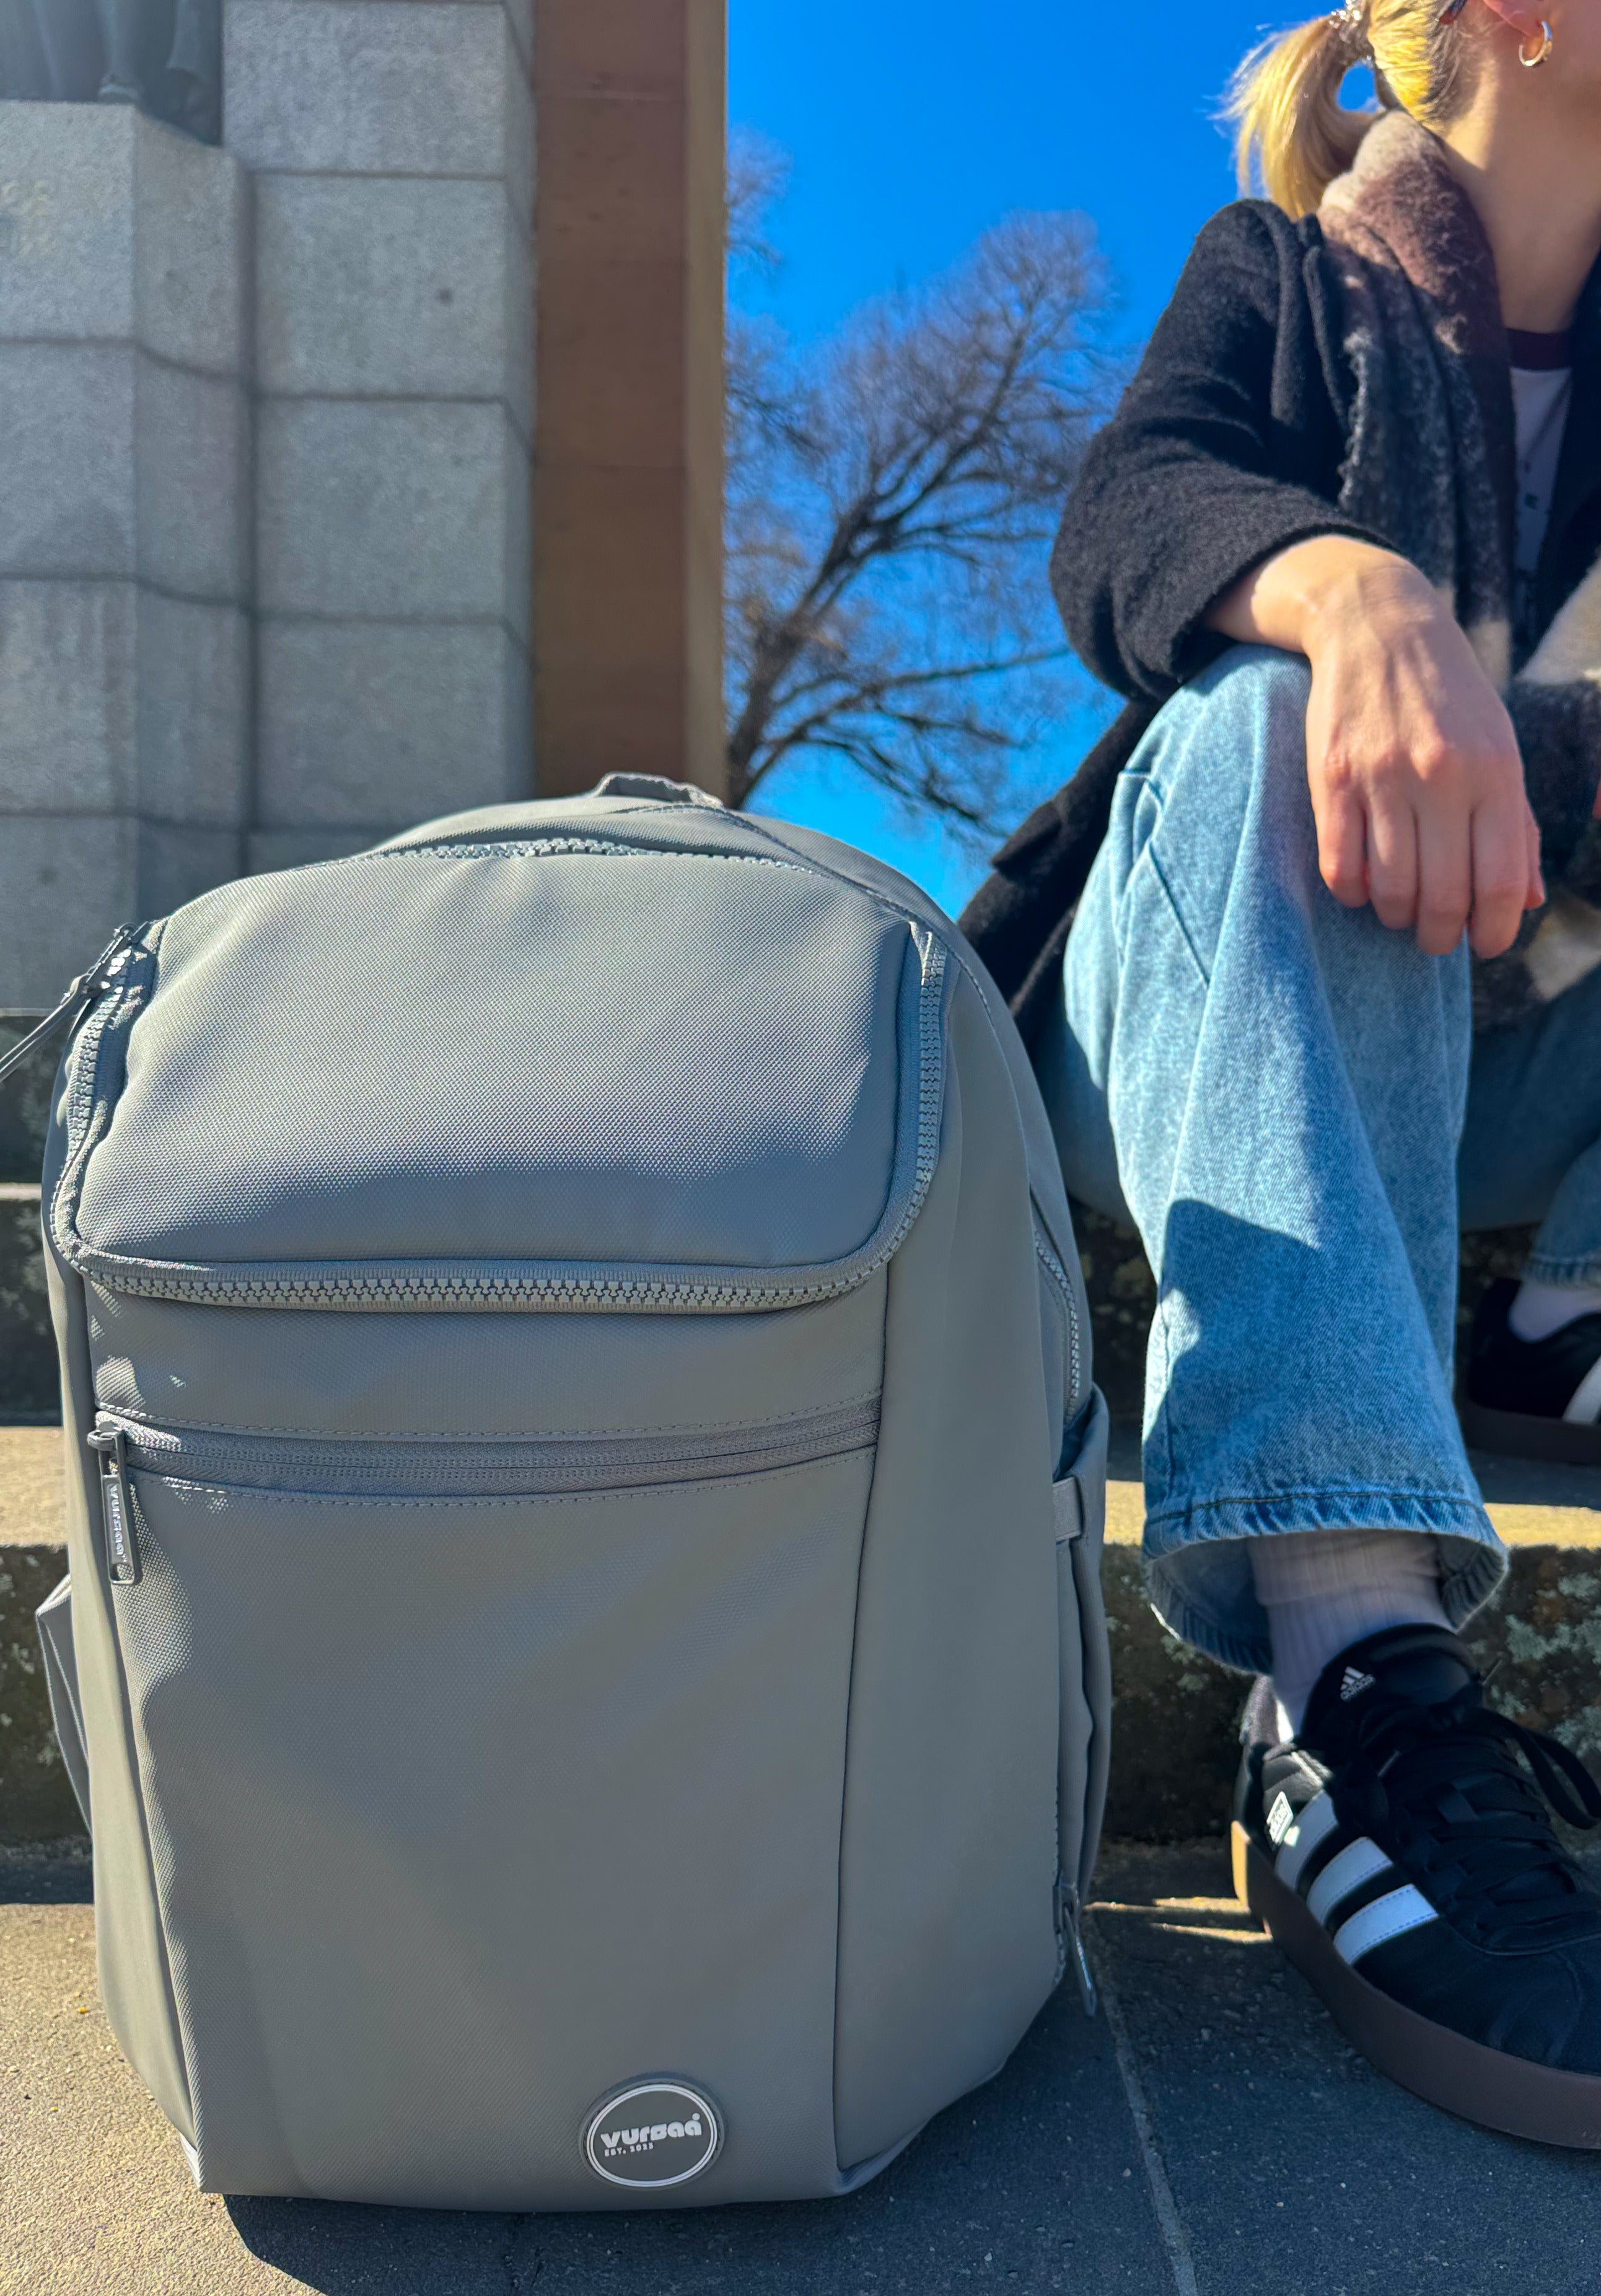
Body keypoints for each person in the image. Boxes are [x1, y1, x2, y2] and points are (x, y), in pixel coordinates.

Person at [962, 0, 1601, 2143]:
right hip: (1176, 1021)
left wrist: (1509, 756)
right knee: (1267, 729)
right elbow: (1122, 524)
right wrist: (1355, 597)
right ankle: (1346, 1679)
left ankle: (1552, 1314)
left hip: (1498, 1039)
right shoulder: (1288, 274)